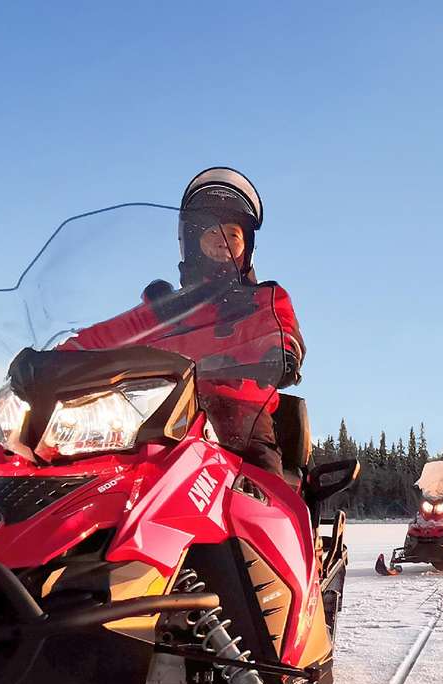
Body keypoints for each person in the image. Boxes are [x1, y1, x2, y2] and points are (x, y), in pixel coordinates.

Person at [62, 167, 302, 476]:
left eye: (233, 234)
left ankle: (277, 520)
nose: (222, 241)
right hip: (157, 413)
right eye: (212, 232)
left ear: (247, 249)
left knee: (265, 490)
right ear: (191, 241)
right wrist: (61, 355)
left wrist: (281, 353)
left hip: (238, 417)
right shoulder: (165, 308)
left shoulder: (263, 300)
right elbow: (110, 334)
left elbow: (282, 330)